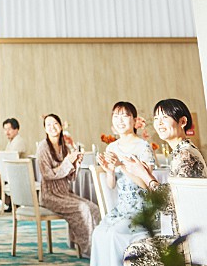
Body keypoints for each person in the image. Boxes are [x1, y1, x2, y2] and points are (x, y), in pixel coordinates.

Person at [122, 98, 206, 266]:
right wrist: (144, 173)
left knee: (135, 253)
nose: (159, 123)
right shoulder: (183, 151)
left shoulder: (185, 155)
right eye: (156, 118)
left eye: (164, 117)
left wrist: (144, 175)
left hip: (194, 241)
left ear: (183, 121)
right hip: (188, 234)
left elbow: (169, 205)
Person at [90, 101, 155, 266]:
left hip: (141, 209)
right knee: (98, 233)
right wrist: (110, 170)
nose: (120, 120)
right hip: (122, 208)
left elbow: (146, 184)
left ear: (134, 120)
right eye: (116, 116)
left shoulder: (144, 147)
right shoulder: (112, 147)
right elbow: (111, 185)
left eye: (125, 116)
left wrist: (122, 166)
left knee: (114, 234)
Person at [37, 113, 100, 258]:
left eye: (55, 124)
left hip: (65, 193)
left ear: (61, 126)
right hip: (50, 196)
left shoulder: (64, 146)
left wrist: (75, 163)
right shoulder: (43, 147)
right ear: (45, 129)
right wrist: (67, 162)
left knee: (94, 208)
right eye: (48, 125)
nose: (52, 127)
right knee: (83, 208)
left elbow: (71, 177)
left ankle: (98, 247)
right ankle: (88, 249)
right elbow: (47, 174)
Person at [0, 117, 28, 214]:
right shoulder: (11, 142)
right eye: (5, 129)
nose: (7, 132)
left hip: (17, 175)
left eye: (9, 129)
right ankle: (12, 203)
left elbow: (11, 160)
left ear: (16, 129)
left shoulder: (19, 142)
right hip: (10, 174)